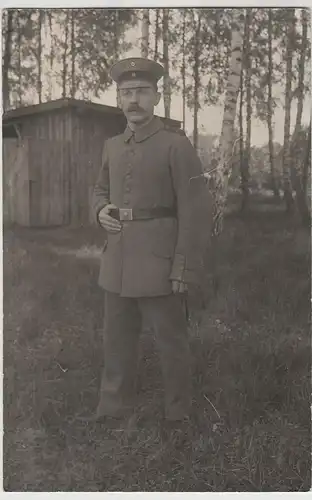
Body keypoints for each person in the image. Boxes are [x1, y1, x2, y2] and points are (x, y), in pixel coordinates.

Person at [86, 57, 212, 429]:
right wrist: (100, 210)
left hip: (160, 261)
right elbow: (99, 189)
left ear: (156, 96)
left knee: (170, 342)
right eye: (126, 93)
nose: (133, 100)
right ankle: (112, 407)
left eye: (141, 92)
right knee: (116, 340)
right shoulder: (111, 146)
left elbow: (195, 211)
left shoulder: (176, 146)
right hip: (118, 260)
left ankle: (178, 412)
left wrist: (183, 267)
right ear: (119, 98)